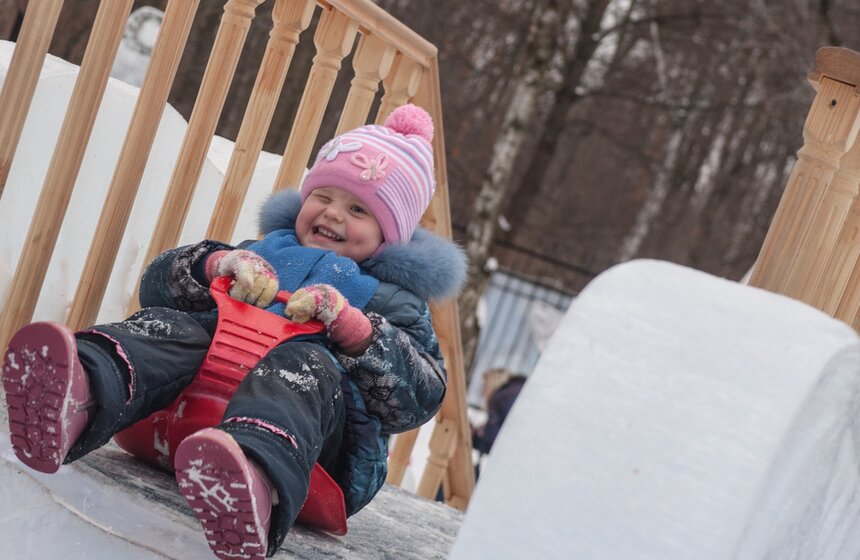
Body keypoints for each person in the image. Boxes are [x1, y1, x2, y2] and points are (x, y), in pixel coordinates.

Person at [1, 104, 466, 560]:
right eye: (323, 196)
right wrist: (215, 265)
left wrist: (354, 329)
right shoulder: (263, 251)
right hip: (192, 402)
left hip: (312, 454)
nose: (333, 213)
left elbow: (418, 398)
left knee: (303, 364)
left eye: (358, 208)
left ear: (390, 233)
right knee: (176, 327)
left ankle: (253, 478)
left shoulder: (393, 299)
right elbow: (157, 287)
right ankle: (80, 390)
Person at [472, 369, 527, 456]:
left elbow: (507, 433)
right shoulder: (510, 396)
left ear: (492, 384)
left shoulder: (504, 398)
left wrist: (483, 432)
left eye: (485, 386)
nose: (482, 392)